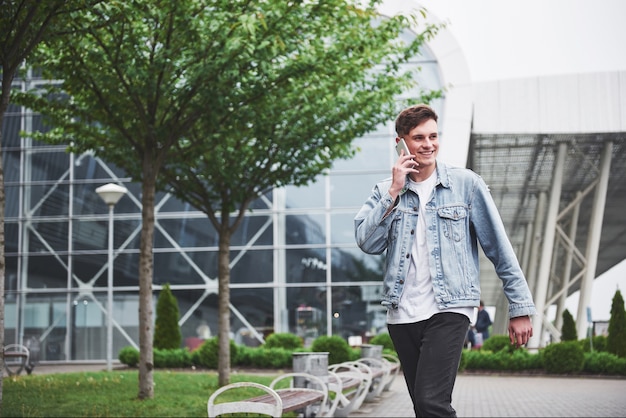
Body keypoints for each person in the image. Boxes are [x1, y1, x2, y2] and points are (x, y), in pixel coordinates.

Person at [354, 104, 536, 417]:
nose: (428, 144)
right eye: (419, 137)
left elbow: (499, 248)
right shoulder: (386, 191)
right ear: (400, 142)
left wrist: (520, 308)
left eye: (434, 136)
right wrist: (394, 192)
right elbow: (367, 242)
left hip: (450, 306)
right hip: (402, 313)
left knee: (431, 402)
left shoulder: (467, 185)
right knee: (424, 408)